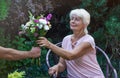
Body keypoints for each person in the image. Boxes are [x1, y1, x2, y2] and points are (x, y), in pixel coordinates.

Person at [37, 8, 104, 78]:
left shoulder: (88, 40)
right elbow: (62, 64)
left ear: (85, 23)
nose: (72, 21)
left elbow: (71, 56)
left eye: (77, 19)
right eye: (72, 19)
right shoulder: (66, 39)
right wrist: (56, 67)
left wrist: (50, 45)